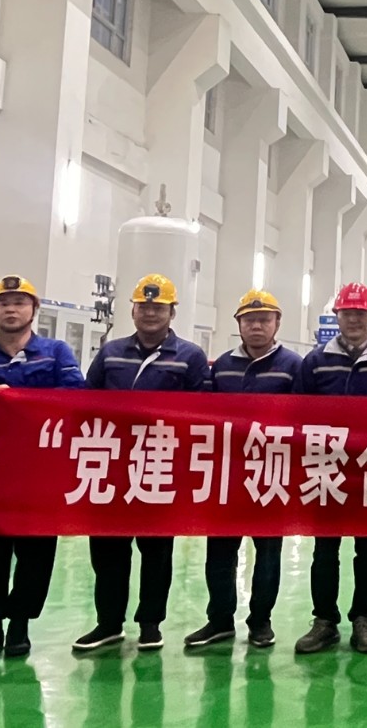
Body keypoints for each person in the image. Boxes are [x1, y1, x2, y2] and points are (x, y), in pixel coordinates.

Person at [0, 274, 86, 660]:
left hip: (41, 473)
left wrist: (18, 398)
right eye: (4, 303)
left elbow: (77, 398)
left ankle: (20, 626)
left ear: (33, 310)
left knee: (35, 554)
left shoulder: (56, 354)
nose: (12, 309)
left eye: (20, 302)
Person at [73, 274, 210, 653]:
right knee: (107, 550)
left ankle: (150, 624)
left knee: (156, 552)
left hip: (161, 467)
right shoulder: (110, 352)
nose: (150, 313)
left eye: (158, 307)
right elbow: (86, 403)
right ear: (133, 310)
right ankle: (108, 623)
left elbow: (205, 413)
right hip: (112, 468)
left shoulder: (190, 357)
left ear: (172, 313)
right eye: (144, 306)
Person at [184, 289, 301, 651]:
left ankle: (260, 621)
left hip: (272, 471)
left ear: (277, 323)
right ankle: (219, 619)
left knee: (267, 553)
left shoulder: (293, 366)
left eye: (264, 319)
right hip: (228, 473)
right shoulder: (222, 366)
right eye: (249, 320)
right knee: (220, 550)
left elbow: (306, 418)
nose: (256, 326)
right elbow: (205, 414)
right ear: (238, 324)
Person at [295, 282, 367, 655]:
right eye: (348, 313)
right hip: (325, 466)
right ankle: (324, 621)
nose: (354, 320)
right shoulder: (315, 362)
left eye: (361, 313)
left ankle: (363, 619)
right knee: (325, 548)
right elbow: (299, 414)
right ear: (337, 317)